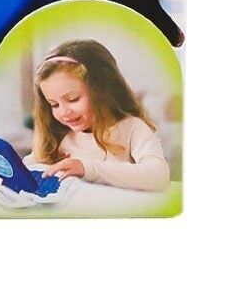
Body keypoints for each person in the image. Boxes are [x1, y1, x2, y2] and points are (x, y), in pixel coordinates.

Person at [32, 39, 170, 192]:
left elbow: (159, 176)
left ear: (103, 91)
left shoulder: (132, 129)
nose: (63, 112)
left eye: (73, 99)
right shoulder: (61, 138)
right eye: (54, 104)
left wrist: (87, 169)